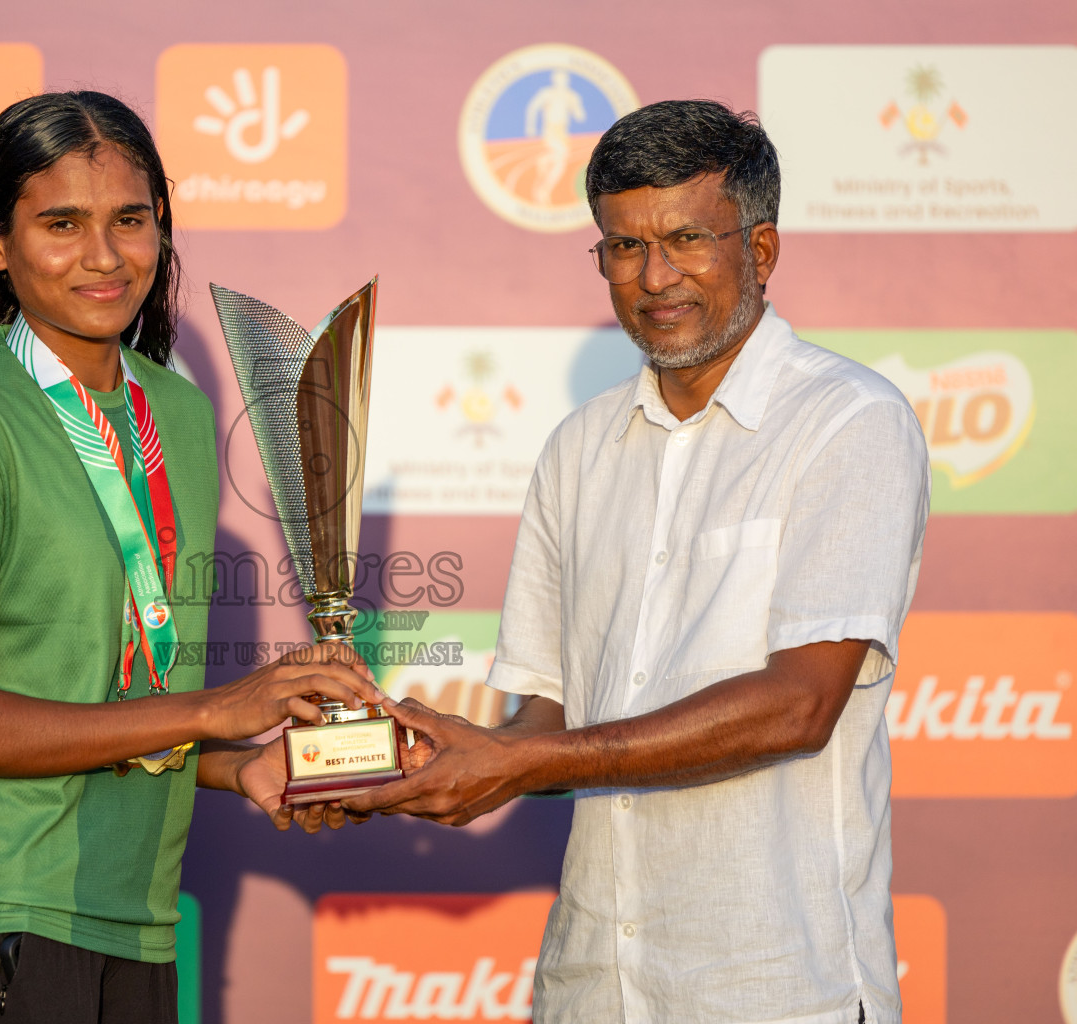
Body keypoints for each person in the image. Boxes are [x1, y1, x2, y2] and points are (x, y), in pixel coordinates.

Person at [346, 100, 930, 1024]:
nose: (654, 277)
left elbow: (800, 704)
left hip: (778, 990)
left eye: (687, 238)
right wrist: (421, 758)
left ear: (763, 249)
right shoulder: (579, 448)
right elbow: (548, 715)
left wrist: (523, 762)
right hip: (594, 989)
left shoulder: (848, 423)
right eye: (622, 246)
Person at [0, 91, 382, 1024]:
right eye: (61, 223)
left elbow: (120, 700)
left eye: (131, 220)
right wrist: (220, 706)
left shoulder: (176, 415)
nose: (104, 257)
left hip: (136, 926)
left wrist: (241, 763)